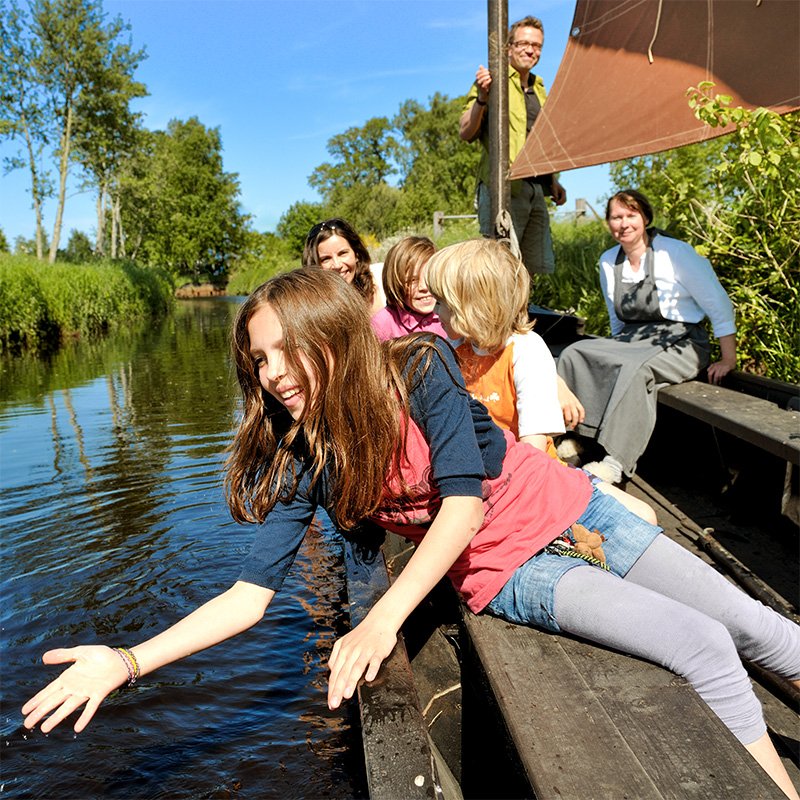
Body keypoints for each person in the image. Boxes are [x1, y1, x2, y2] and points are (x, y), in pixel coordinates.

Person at [20, 269, 798, 799]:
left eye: (288, 349)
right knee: (700, 645)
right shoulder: (304, 459)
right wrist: (127, 662)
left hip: (570, 506)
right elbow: (248, 598)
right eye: (258, 358)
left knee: (763, 630)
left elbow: (460, 499)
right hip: (504, 566)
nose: (273, 372)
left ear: (333, 334)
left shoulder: (419, 366)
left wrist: (380, 618)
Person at [426, 238, 657, 525]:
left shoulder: (524, 350)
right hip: (481, 477)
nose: (435, 311)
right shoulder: (454, 350)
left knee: (644, 515)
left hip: (534, 476)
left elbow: (533, 452)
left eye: (441, 302)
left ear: (472, 306)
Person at [557, 190, 737, 484]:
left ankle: (616, 461)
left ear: (645, 218)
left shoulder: (674, 252)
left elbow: (718, 304)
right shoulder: (608, 261)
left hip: (684, 340)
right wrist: (614, 351)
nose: (623, 224)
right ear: (608, 223)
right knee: (575, 354)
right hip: (634, 338)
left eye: (631, 216)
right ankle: (579, 437)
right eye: (616, 217)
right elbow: (617, 318)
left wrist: (728, 358)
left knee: (635, 370)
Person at [459, 15, 567, 278]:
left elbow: (541, 138)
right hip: (505, 186)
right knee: (502, 266)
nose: (530, 50)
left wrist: (553, 180)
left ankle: (524, 318)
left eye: (537, 46)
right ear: (508, 48)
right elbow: (465, 131)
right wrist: (482, 98)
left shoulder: (540, 89)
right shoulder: (491, 79)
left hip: (536, 189)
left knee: (532, 271)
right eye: (523, 43)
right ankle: (499, 320)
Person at [302, 217, 384, 315]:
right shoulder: (317, 310)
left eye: (343, 253)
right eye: (326, 259)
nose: (337, 265)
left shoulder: (384, 277)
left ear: (356, 254)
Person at [371, 236, 446, 341]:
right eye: (412, 280)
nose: (424, 287)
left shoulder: (451, 316)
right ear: (395, 284)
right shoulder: (382, 323)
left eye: (429, 277)